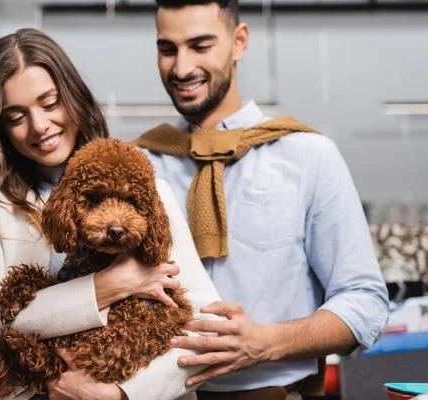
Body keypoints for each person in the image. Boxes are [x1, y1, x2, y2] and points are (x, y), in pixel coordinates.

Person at [128, 1, 390, 399]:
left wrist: (265, 342)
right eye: (168, 49)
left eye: (201, 45)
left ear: (239, 42)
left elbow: (365, 302)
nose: (181, 68)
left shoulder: (309, 156)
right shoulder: (141, 164)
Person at [0, 28, 222, 400]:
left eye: (49, 104)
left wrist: (120, 394)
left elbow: (207, 326)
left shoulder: (146, 189)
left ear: (73, 96)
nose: (40, 126)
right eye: (16, 117)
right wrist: (110, 286)